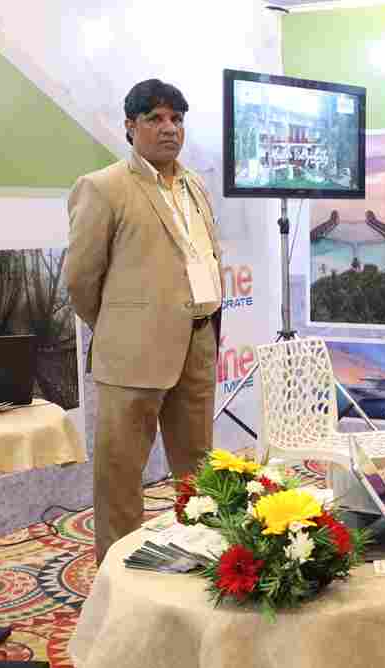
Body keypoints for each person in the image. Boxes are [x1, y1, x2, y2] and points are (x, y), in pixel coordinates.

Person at [64, 79, 222, 563]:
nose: (169, 128)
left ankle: (203, 561)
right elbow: (80, 280)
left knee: (199, 472)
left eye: (177, 119)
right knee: (120, 474)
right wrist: (122, 326)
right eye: (155, 118)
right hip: (132, 352)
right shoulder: (103, 187)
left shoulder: (195, 185)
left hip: (198, 340)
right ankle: (116, 578)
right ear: (130, 127)